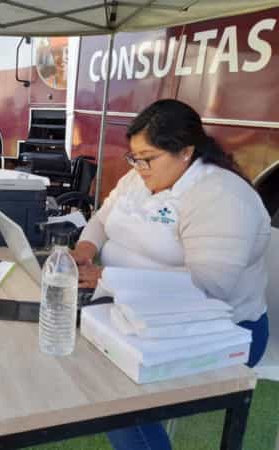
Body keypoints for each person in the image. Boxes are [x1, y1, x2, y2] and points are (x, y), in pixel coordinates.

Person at [72, 99, 270, 450]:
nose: (138, 167)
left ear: (185, 152)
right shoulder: (139, 178)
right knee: (67, 342)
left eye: (147, 158)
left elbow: (209, 287)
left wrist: (107, 278)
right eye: (134, 157)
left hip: (218, 329)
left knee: (112, 393)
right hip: (132, 307)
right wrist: (84, 251)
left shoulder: (221, 196)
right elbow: (102, 220)